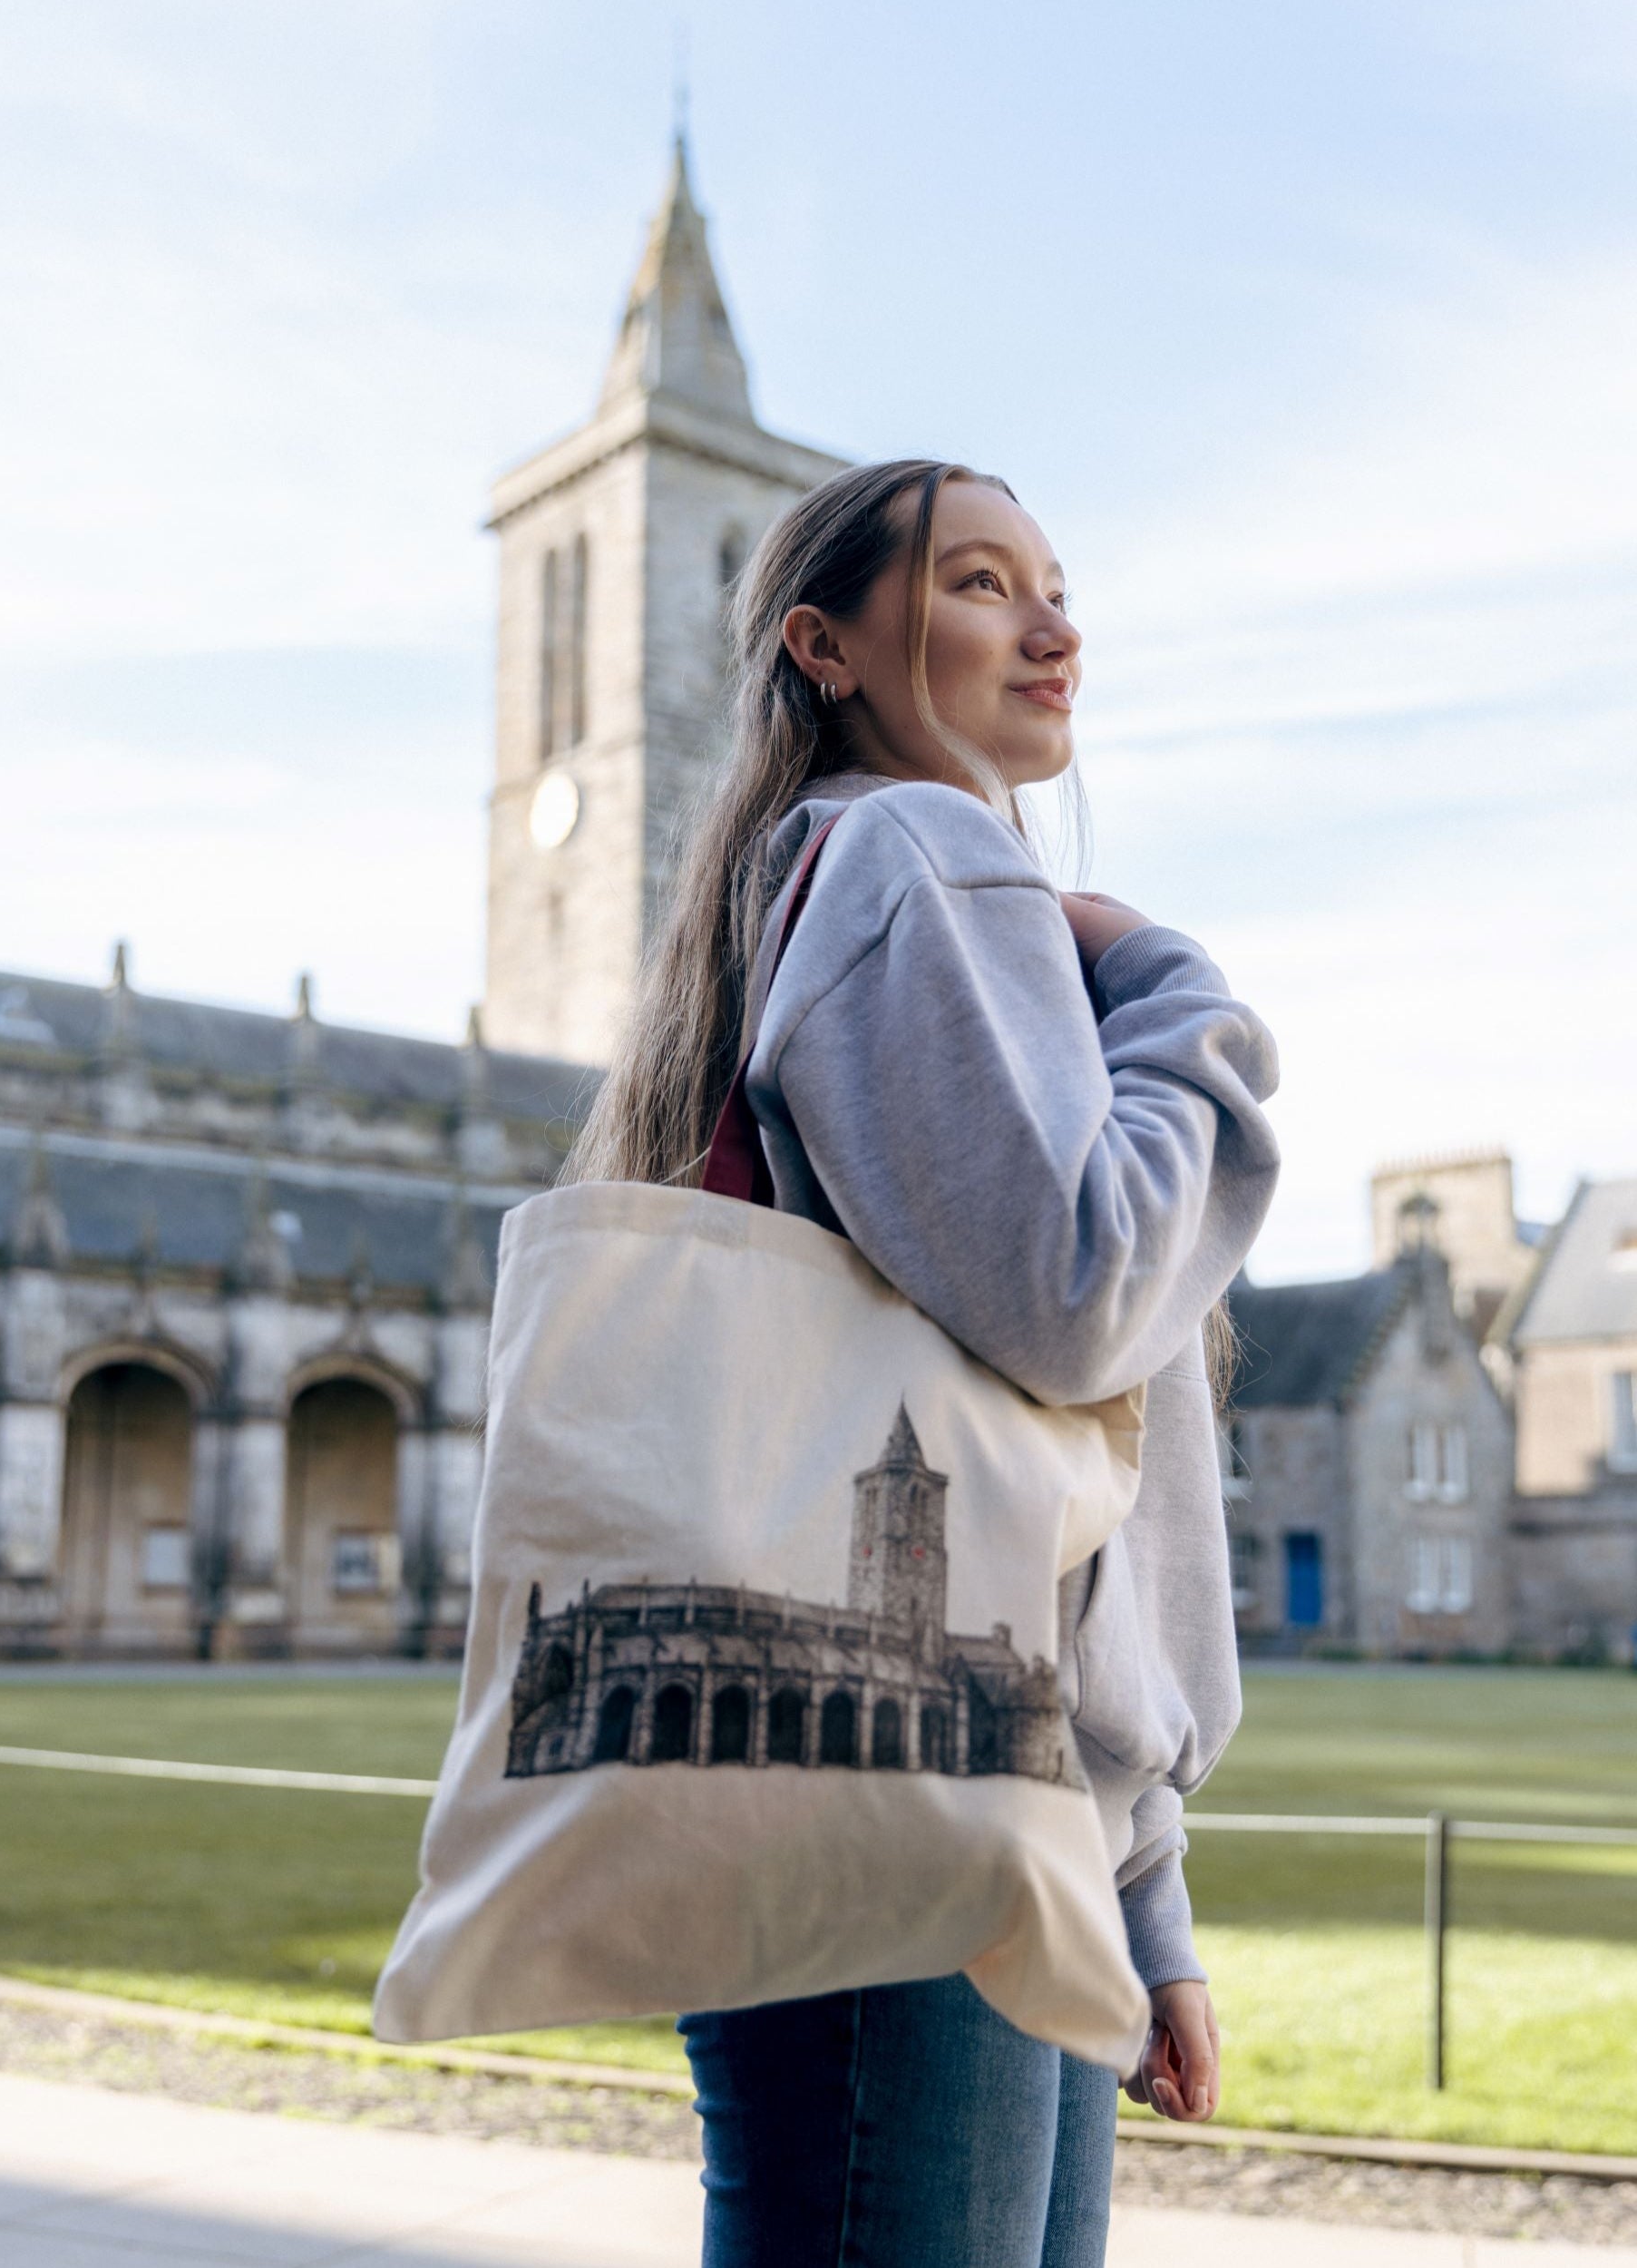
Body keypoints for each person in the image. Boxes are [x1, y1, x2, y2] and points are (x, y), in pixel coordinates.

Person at [566, 459, 1280, 2266]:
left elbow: (1048, 1485)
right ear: (825, 644)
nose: (1054, 626)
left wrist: (1144, 1886)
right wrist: (1186, 995)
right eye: (979, 583)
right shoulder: (904, 851)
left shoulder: (922, 903)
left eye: (1055, 584)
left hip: (995, 1814)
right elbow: (1078, 1295)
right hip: (916, 1828)